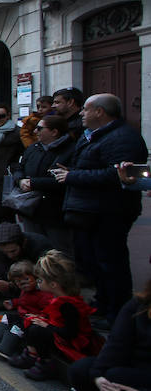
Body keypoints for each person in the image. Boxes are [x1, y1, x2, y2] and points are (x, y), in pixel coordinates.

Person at [52, 93, 148, 325]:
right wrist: (74, 172)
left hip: (110, 211)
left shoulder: (123, 138)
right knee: (94, 261)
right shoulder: (92, 136)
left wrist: (73, 176)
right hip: (89, 210)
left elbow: (117, 175)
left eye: (86, 109)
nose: (82, 114)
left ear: (100, 112)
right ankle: (102, 303)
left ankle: (116, 312)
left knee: (110, 263)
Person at [48, 279, 151, 391]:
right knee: (82, 369)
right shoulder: (139, 304)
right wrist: (98, 377)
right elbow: (116, 344)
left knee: (116, 376)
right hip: (133, 366)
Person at [7, 250, 100, 381]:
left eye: (40, 280)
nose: (38, 283)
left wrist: (47, 326)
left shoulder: (68, 305)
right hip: (57, 330)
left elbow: (70, 333)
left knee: (36, 330)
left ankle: (45, 362)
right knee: (29, 321)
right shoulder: (58, 299)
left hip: (71, 340)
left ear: (53, 284)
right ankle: (30, 354)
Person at [11, 114, 75, 254]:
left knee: (59, 252)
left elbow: (64, 179)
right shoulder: (34, 148)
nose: (35, 132)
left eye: (39, 128)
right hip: (30, 209)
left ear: (54, 132)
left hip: (55, 212)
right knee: (34, 248)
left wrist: (34, 183)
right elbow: (19, 167)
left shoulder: (70, 151)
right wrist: (20, 180)